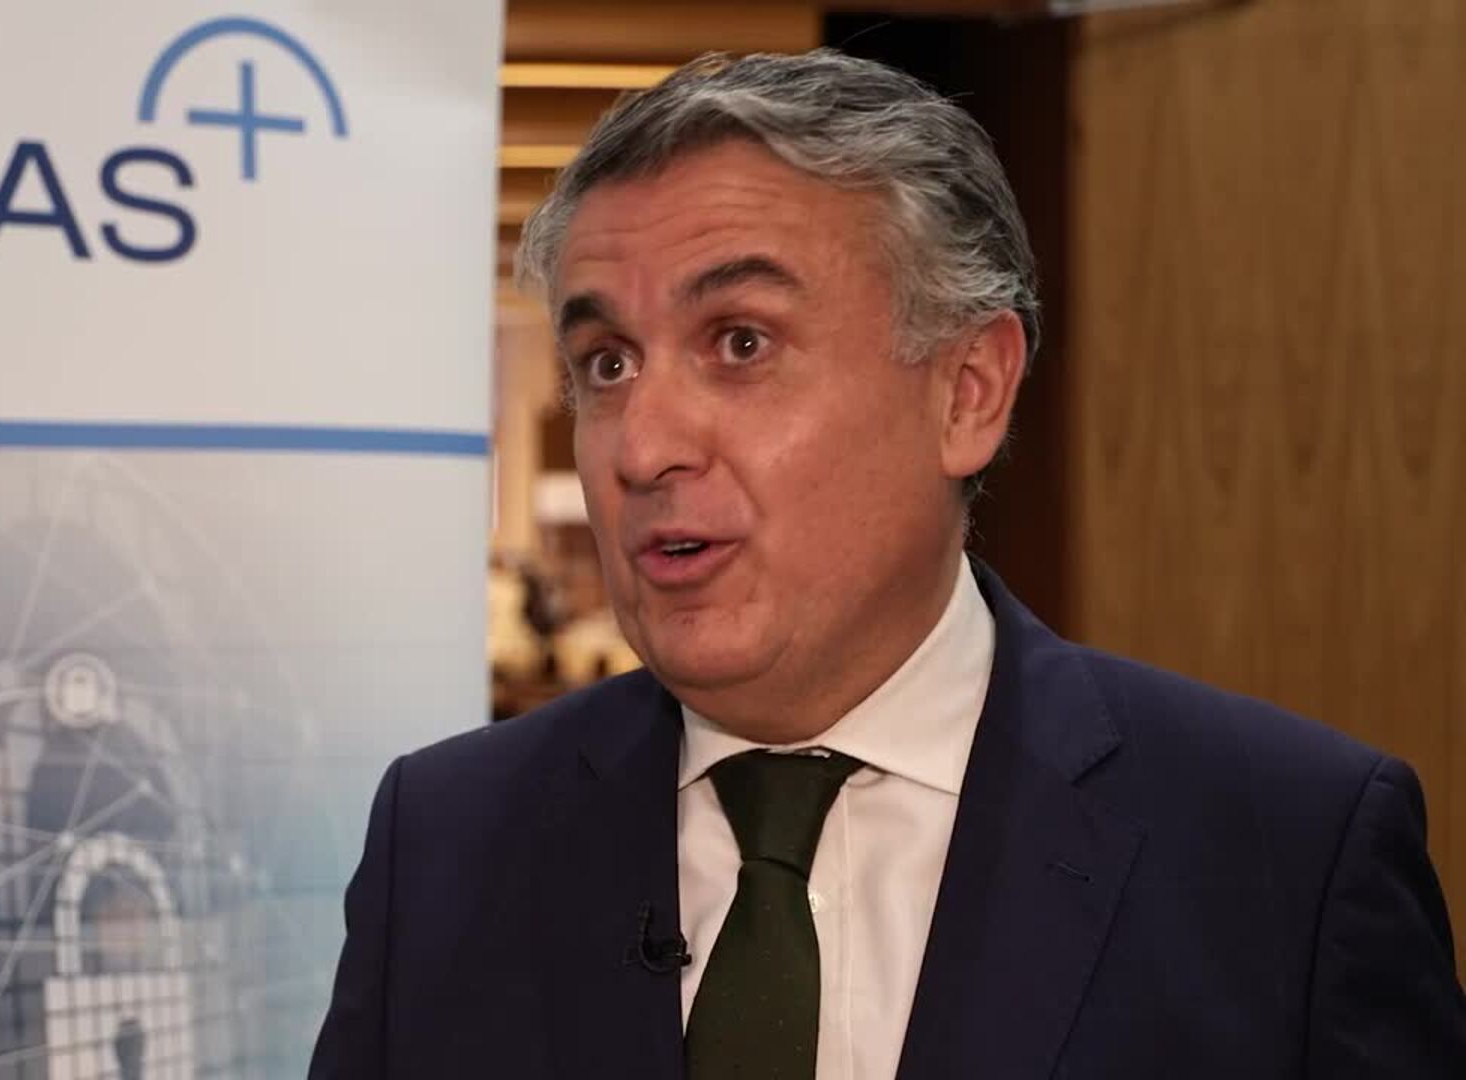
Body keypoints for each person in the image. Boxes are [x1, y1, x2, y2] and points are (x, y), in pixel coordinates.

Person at [309, 49, 1466, 1079]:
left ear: (967, 393)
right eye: (607, 363)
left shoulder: (1287, 855)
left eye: (741, 342)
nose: (644, 446)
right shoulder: (447, 844)